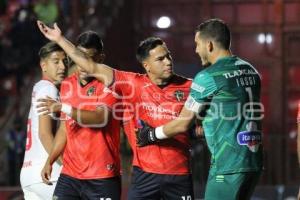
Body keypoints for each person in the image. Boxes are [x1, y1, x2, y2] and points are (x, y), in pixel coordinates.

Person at [37, 21, 195, 199]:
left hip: (165, 174)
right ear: (146, 65)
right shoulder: (129, 84)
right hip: (136, 175)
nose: (168, 62)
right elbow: (66, 126)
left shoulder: (190, 86)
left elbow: (99, 117)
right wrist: (59, 38)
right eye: (160, 59)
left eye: (168, 56)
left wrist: (196, 130)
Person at [136, 18, 264, 200]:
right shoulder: (250, 70)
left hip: (227, 166)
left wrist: (150, 135)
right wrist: (199, 131)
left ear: (209, 45)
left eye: (197, 44)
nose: (196, 50)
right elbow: (229, 116)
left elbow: (182, 123)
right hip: (254, 162)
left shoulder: (208, 77)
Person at [39, 31, 121, 200]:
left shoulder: (110, 83)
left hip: (102, 175)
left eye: (89, 58)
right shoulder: (68, 84)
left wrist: (64, 107)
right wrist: (51, 160)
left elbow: (100, 118)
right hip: (70, 175)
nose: (82, 64)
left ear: (101, 59)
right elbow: (64, 128)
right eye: (79, 57)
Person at [20, 41, 66, 200]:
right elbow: (44, 134)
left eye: (64, 61)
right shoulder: (49, 89)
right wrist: (67, 166)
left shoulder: (38, 87)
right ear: (43, 65)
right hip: (48, 175)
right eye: (56, 62)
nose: (62, 67)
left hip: (29, 174)